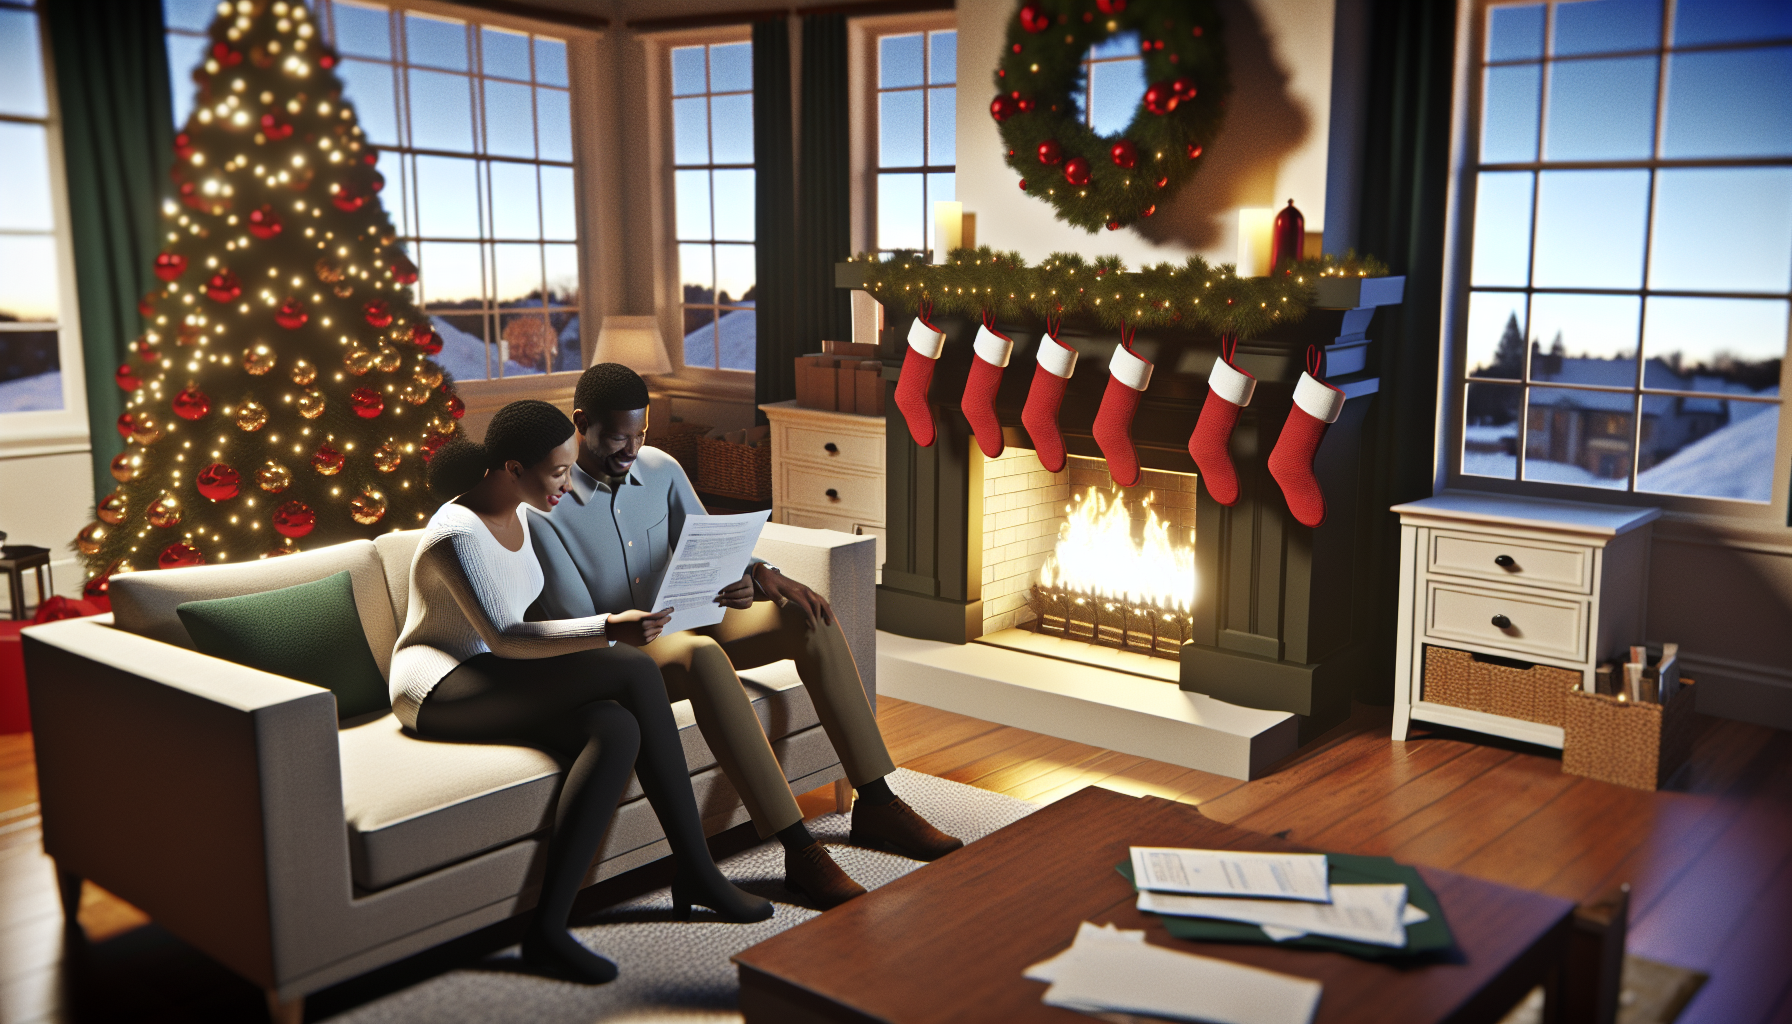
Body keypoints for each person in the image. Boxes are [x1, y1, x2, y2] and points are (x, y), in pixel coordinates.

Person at [527, 365, 963, 910]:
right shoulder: (545, 506)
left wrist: (753, 575)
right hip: (627, 651)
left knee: (807, 615)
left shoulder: (661, 469)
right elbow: (584, 626)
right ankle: (798, 847)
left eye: (641, 435)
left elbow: (708, 543)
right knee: (704, 653)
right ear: (581, 423)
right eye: (618, 437)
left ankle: (875, 801)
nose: (631, 449)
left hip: (690, 615)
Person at [390, 400, 772, 986]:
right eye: (558, 473)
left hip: (496, 673)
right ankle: (696, 868)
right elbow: (507, 637)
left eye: (570, 469)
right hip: (440, 684)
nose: (567, 486)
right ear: (512, 469)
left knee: (616, 729)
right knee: (635, 672)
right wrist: (606, 630)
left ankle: (547, 930)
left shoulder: (520, 510)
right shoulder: (454, 533)